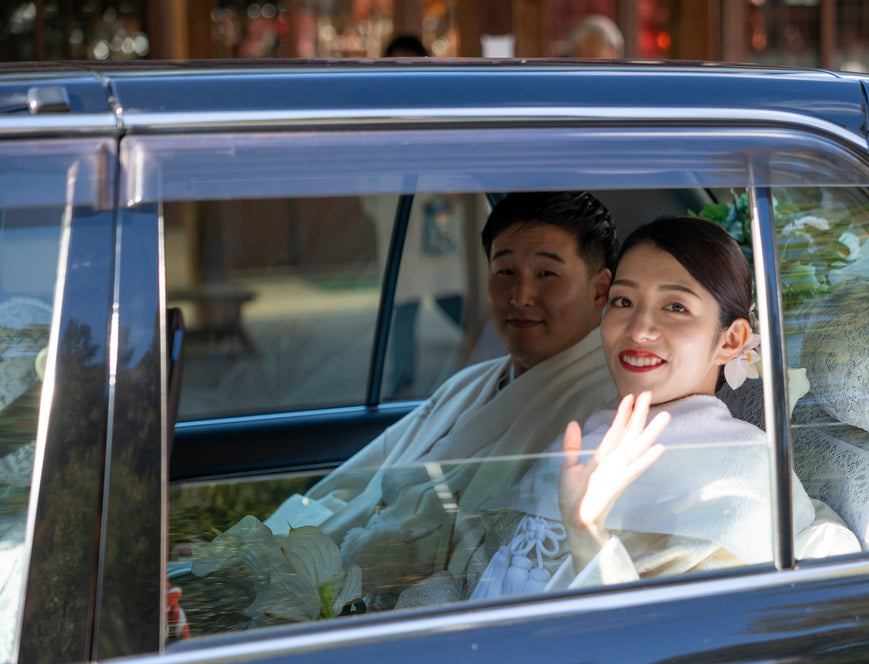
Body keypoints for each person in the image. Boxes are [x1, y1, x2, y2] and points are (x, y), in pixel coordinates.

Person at [396, 216, 856, 608]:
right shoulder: (588, 435)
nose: (639, 328)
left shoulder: (745, 476)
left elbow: (667, 651)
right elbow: (475, 581)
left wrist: (588, 535)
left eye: (675, 307)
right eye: (623, 301)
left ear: (731, 340)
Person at [240, 192, 620, 606]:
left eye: (547, 274)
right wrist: (249, 552)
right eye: (505, 270)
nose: (520, 295)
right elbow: (355, 485)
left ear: (600, 290)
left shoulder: (600, 412)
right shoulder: (469, 383)